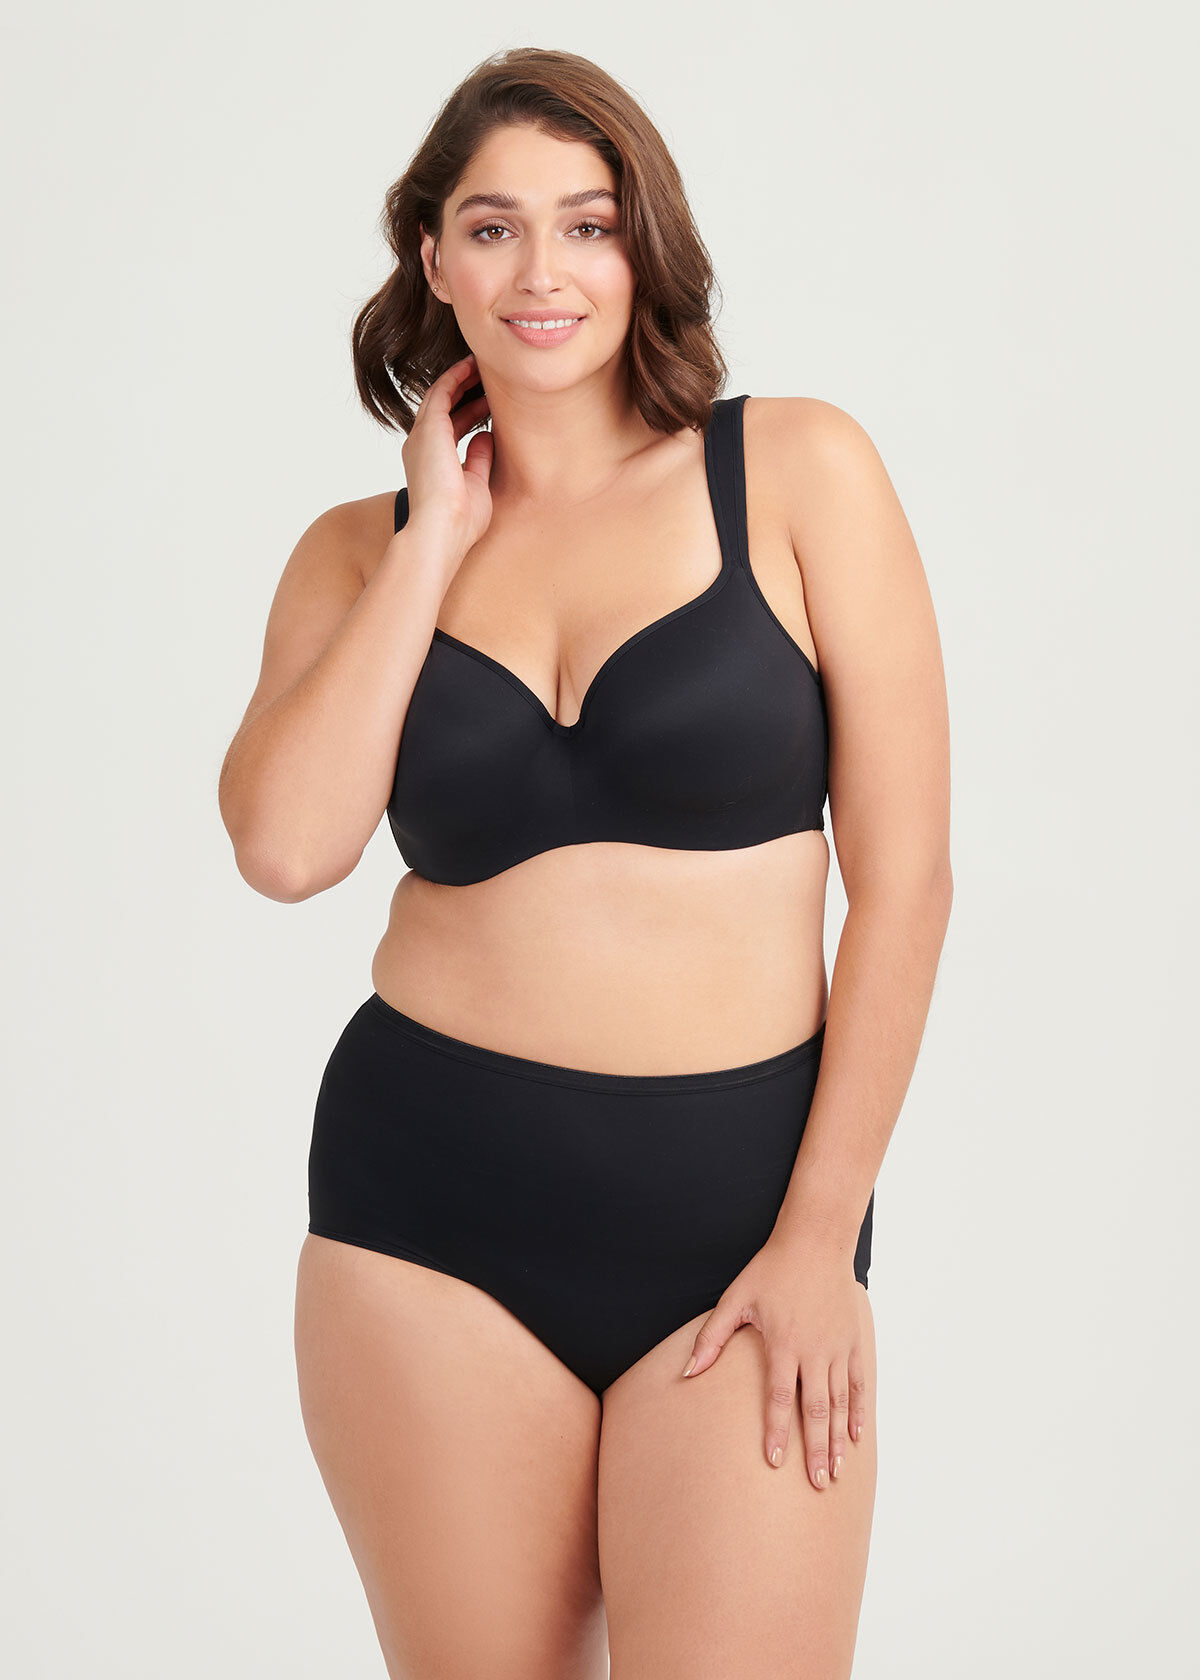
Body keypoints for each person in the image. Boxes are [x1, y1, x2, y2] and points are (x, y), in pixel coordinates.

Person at [219, 45, 953, 1680]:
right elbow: (285, 847)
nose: (542, 272)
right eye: (494, 229)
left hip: (744, 1224)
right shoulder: (355, 553)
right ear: (434, 260)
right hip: (427, 1227)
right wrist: (434, 536)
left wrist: (819, 1237)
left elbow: (906, 882)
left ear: (645, 247)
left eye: (589, 225)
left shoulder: (799, 472)